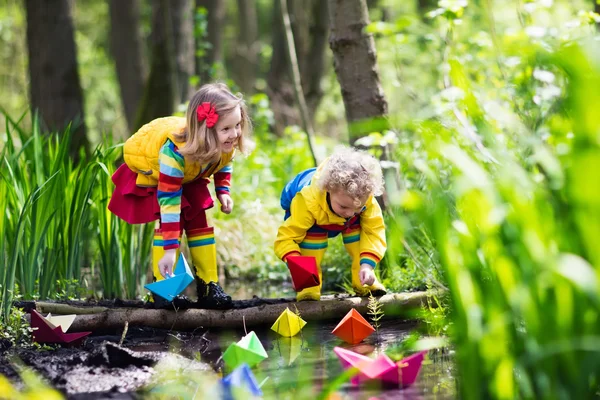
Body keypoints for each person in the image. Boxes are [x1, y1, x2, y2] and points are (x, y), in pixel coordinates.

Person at [108, 83, 251, 309]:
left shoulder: (225, 142)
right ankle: (164, 288)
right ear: (205, 130)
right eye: (226, 129)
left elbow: (224, 163)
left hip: (190, 173)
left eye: (237, 126)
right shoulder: (173, 153)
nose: (234, 134)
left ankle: (208, 286)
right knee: (176, 222)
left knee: (199, 221)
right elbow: (169, 201)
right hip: (160, 175)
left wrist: (222, 191)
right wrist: (170, 249)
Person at [274, 148, 387, 301]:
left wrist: (367, 264)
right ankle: (309, 288)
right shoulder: (307, 201)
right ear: (327, 189)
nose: (350, 213)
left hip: (345, 222)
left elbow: (374, 232)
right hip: (314, 219)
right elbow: (286, 238)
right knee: (311, 249)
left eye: (357, 208)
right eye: (344, 207)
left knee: (360, 234)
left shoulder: (362, 199)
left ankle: (363, 281)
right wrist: (298, 267)